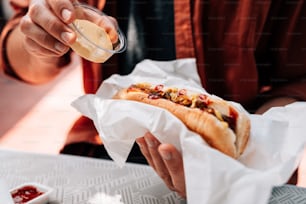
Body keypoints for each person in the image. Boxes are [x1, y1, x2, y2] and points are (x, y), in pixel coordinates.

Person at [1, 0, 306, 198]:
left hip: (239, 179)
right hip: (99, 156)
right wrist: (39, 39)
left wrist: (226, 170)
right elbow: (19, 57)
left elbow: (297, 82)